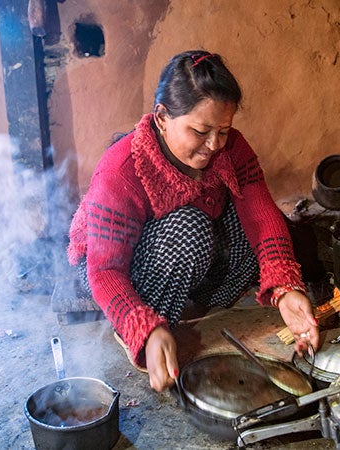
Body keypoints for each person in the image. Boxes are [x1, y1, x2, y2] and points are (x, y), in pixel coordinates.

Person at [67, 50, 319, 392]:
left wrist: (286, 290)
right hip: (108, 265)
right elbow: (104, 270)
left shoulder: (230, 149)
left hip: (175, 249)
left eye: (224, 131)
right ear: (161, 117)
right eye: (200, 131)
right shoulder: (121, 170)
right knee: (190, 228)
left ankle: (192, 301)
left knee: (256, 226)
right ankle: (145, 329)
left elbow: (261, 216)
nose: (214, 145)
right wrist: (144, 328)